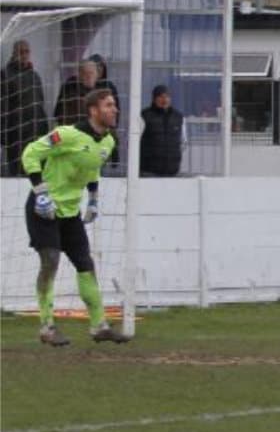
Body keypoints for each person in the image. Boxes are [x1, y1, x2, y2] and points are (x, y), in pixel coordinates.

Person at [21, 88, 131, 346]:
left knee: (85, 264)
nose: (114, 109)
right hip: (43, 209)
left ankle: (99, 326)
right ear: (94, 110)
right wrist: (40, 192)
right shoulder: (68, 134)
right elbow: (30, 153)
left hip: (71, 212)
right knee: (50, 261)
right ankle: (47, 327)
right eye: (108, 105)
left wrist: (93, 198)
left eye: (114, 105)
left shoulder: (108, 141)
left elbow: (92, 169)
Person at [1, 40, 48, 177]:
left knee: (35, 172)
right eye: (21, 52)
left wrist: (44, 127)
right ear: (14, 53)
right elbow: (3, 106)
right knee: (17, 172)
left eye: (27, 51)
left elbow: (41, 103)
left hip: (35, 132)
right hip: (16, 133)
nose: (24, 55)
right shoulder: (5, 74)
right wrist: (3, 133)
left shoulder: (35, 76)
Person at [140, 85, 185, 177]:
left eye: (167, 96)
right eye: (161, 96)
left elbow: (184, 141)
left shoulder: (178, 117)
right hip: (149, 171)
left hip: (172, 170)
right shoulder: (145, 116)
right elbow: (135, 140)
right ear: (154, 99)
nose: (164, 100)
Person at [54, 61, 98, 126]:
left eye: (92, 73)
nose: (89, 77)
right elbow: (60, 116)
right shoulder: (70, 92)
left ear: (97, 75)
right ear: (79, 75)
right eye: (86, 73)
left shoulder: (97, 92)